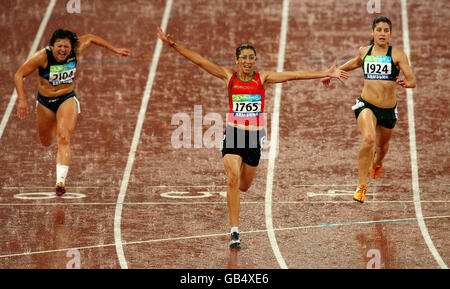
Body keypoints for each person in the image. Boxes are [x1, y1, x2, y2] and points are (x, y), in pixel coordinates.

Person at [157, 27, 348, 248]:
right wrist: (173, 45)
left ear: (254, 60)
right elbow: (200, 61)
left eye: (251, 58)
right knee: (231, 179)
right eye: (244, 58)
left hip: (254, 138)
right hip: (234, 135)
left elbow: (294, 75)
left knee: (244, 186)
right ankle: (235, 231)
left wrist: (326, 73)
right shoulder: (229, 76)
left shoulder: (262, 78)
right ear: (236, 60)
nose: (248, 61)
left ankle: (234, 196)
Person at [14, 29, 130, 196]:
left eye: (66, 47)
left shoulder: (76, 50)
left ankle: (60, 181)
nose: (63, 50)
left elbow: (90, 37)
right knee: (46, 141)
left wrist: (115, 49)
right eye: (59, 46)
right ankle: (55, 125)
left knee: (63, 138)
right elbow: (19, 75)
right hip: (45, 103)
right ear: (52, 46)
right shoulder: (42, 56)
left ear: (72, 47)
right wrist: (22, 100)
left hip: (67, 98)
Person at [322, 16, 416, 203]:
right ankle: (361, 186)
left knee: (381, 149)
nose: (382, 33)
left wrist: (407, 83)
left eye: (386, 30)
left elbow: (412, 80)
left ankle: (377, 163)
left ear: (390, 34)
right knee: (369, 138)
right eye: (378, 30)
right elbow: (356, 62)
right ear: (372, 33)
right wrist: (334, 72)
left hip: (388, 110)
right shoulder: (365, 51)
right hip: (367, 105)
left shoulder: (397, 54)